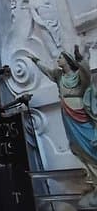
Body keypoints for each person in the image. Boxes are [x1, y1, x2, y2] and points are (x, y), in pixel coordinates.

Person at [30, 47, 97, 189]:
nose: (58, 60)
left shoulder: (79, 75)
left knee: (91, 143)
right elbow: (46, 71)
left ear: (67, 60)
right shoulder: (59, 75)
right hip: (68, 116)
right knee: (79, 147)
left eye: (60, 57)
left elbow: (87, 75)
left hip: (81, 115)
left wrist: (80, 60)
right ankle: (94, 180)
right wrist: (36, 61)